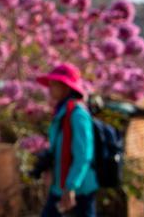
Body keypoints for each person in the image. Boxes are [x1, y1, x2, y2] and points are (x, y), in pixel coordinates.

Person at [36, 63, 99, 217]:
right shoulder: (61, 112)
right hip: (60, 186)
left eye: (54, 84)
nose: (49, 89)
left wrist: (71, 186)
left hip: (79, 188)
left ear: (65, 87)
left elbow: (83, 154)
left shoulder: (77, 114)